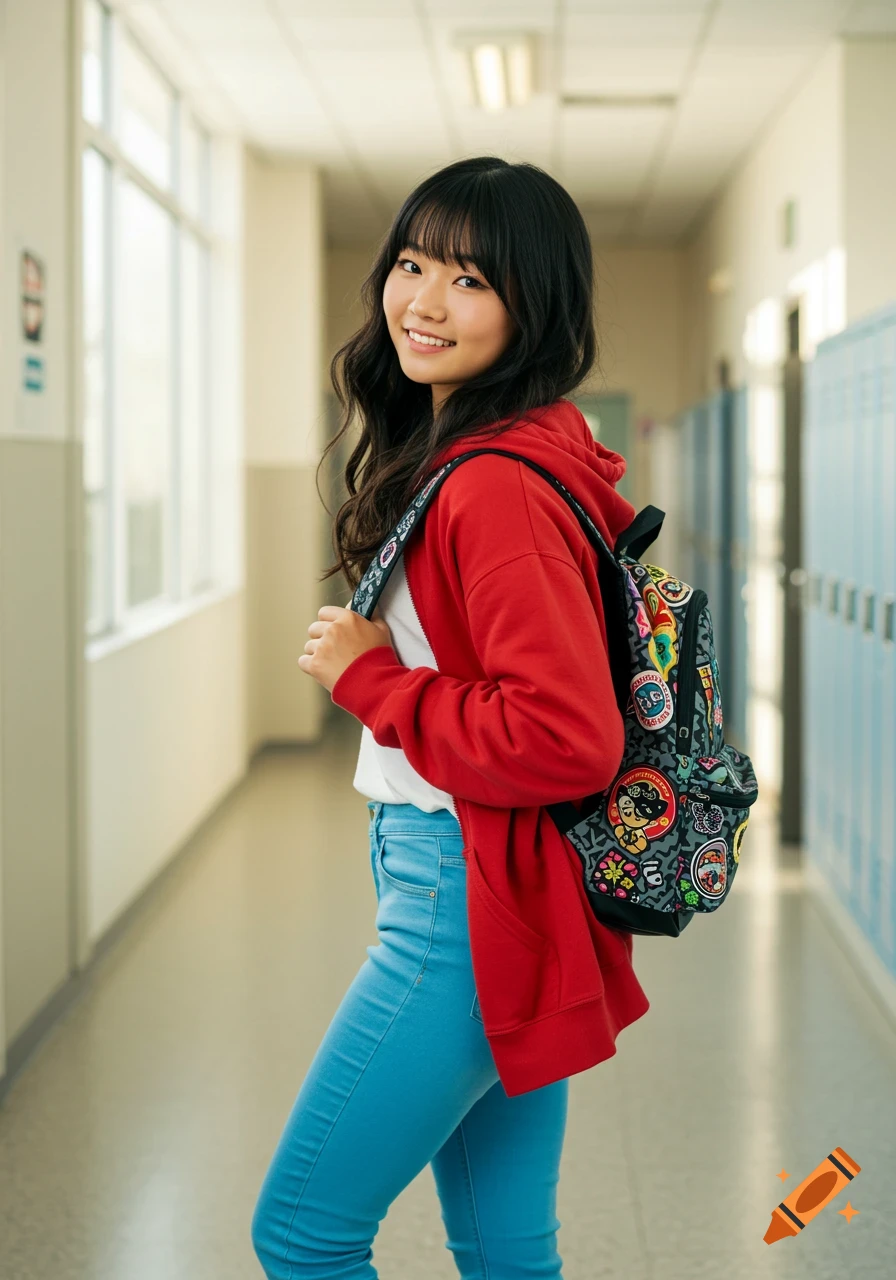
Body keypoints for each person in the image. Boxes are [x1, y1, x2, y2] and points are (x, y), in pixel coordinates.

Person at [251, 156, 650, 1279]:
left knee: (302, 1233)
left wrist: (372, 677)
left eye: (470, 280)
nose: (423, 301)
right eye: (413, 263)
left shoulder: (490, 484)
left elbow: (566, 735)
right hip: (494, 881)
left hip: (465, 903)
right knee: (504, 1244)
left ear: (535, 306)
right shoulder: (509, 451)